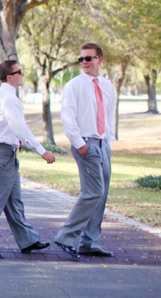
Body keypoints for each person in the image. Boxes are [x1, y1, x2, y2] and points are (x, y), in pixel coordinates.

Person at [0, 60, 56, 259]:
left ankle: (28, 239)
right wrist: (42, 151)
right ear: (10, 77)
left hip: (2, 153)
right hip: (2, 154)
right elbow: (20, 129)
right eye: (19, 72)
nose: (22, 74)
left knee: (14, 200)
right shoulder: (8, 100)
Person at [55, 43, 115, 259]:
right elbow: (67, 116)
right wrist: (80, 144)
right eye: (81, 59)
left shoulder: (107, 86)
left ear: (100, 59)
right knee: (93, 192)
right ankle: (66, 236)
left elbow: (109, 116)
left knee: (102, 193)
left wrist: (109, 142)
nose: (84, 63)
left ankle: (90, 242)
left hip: (103, 143)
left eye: (88, 58)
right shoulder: (74, 85)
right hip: (85, 144)